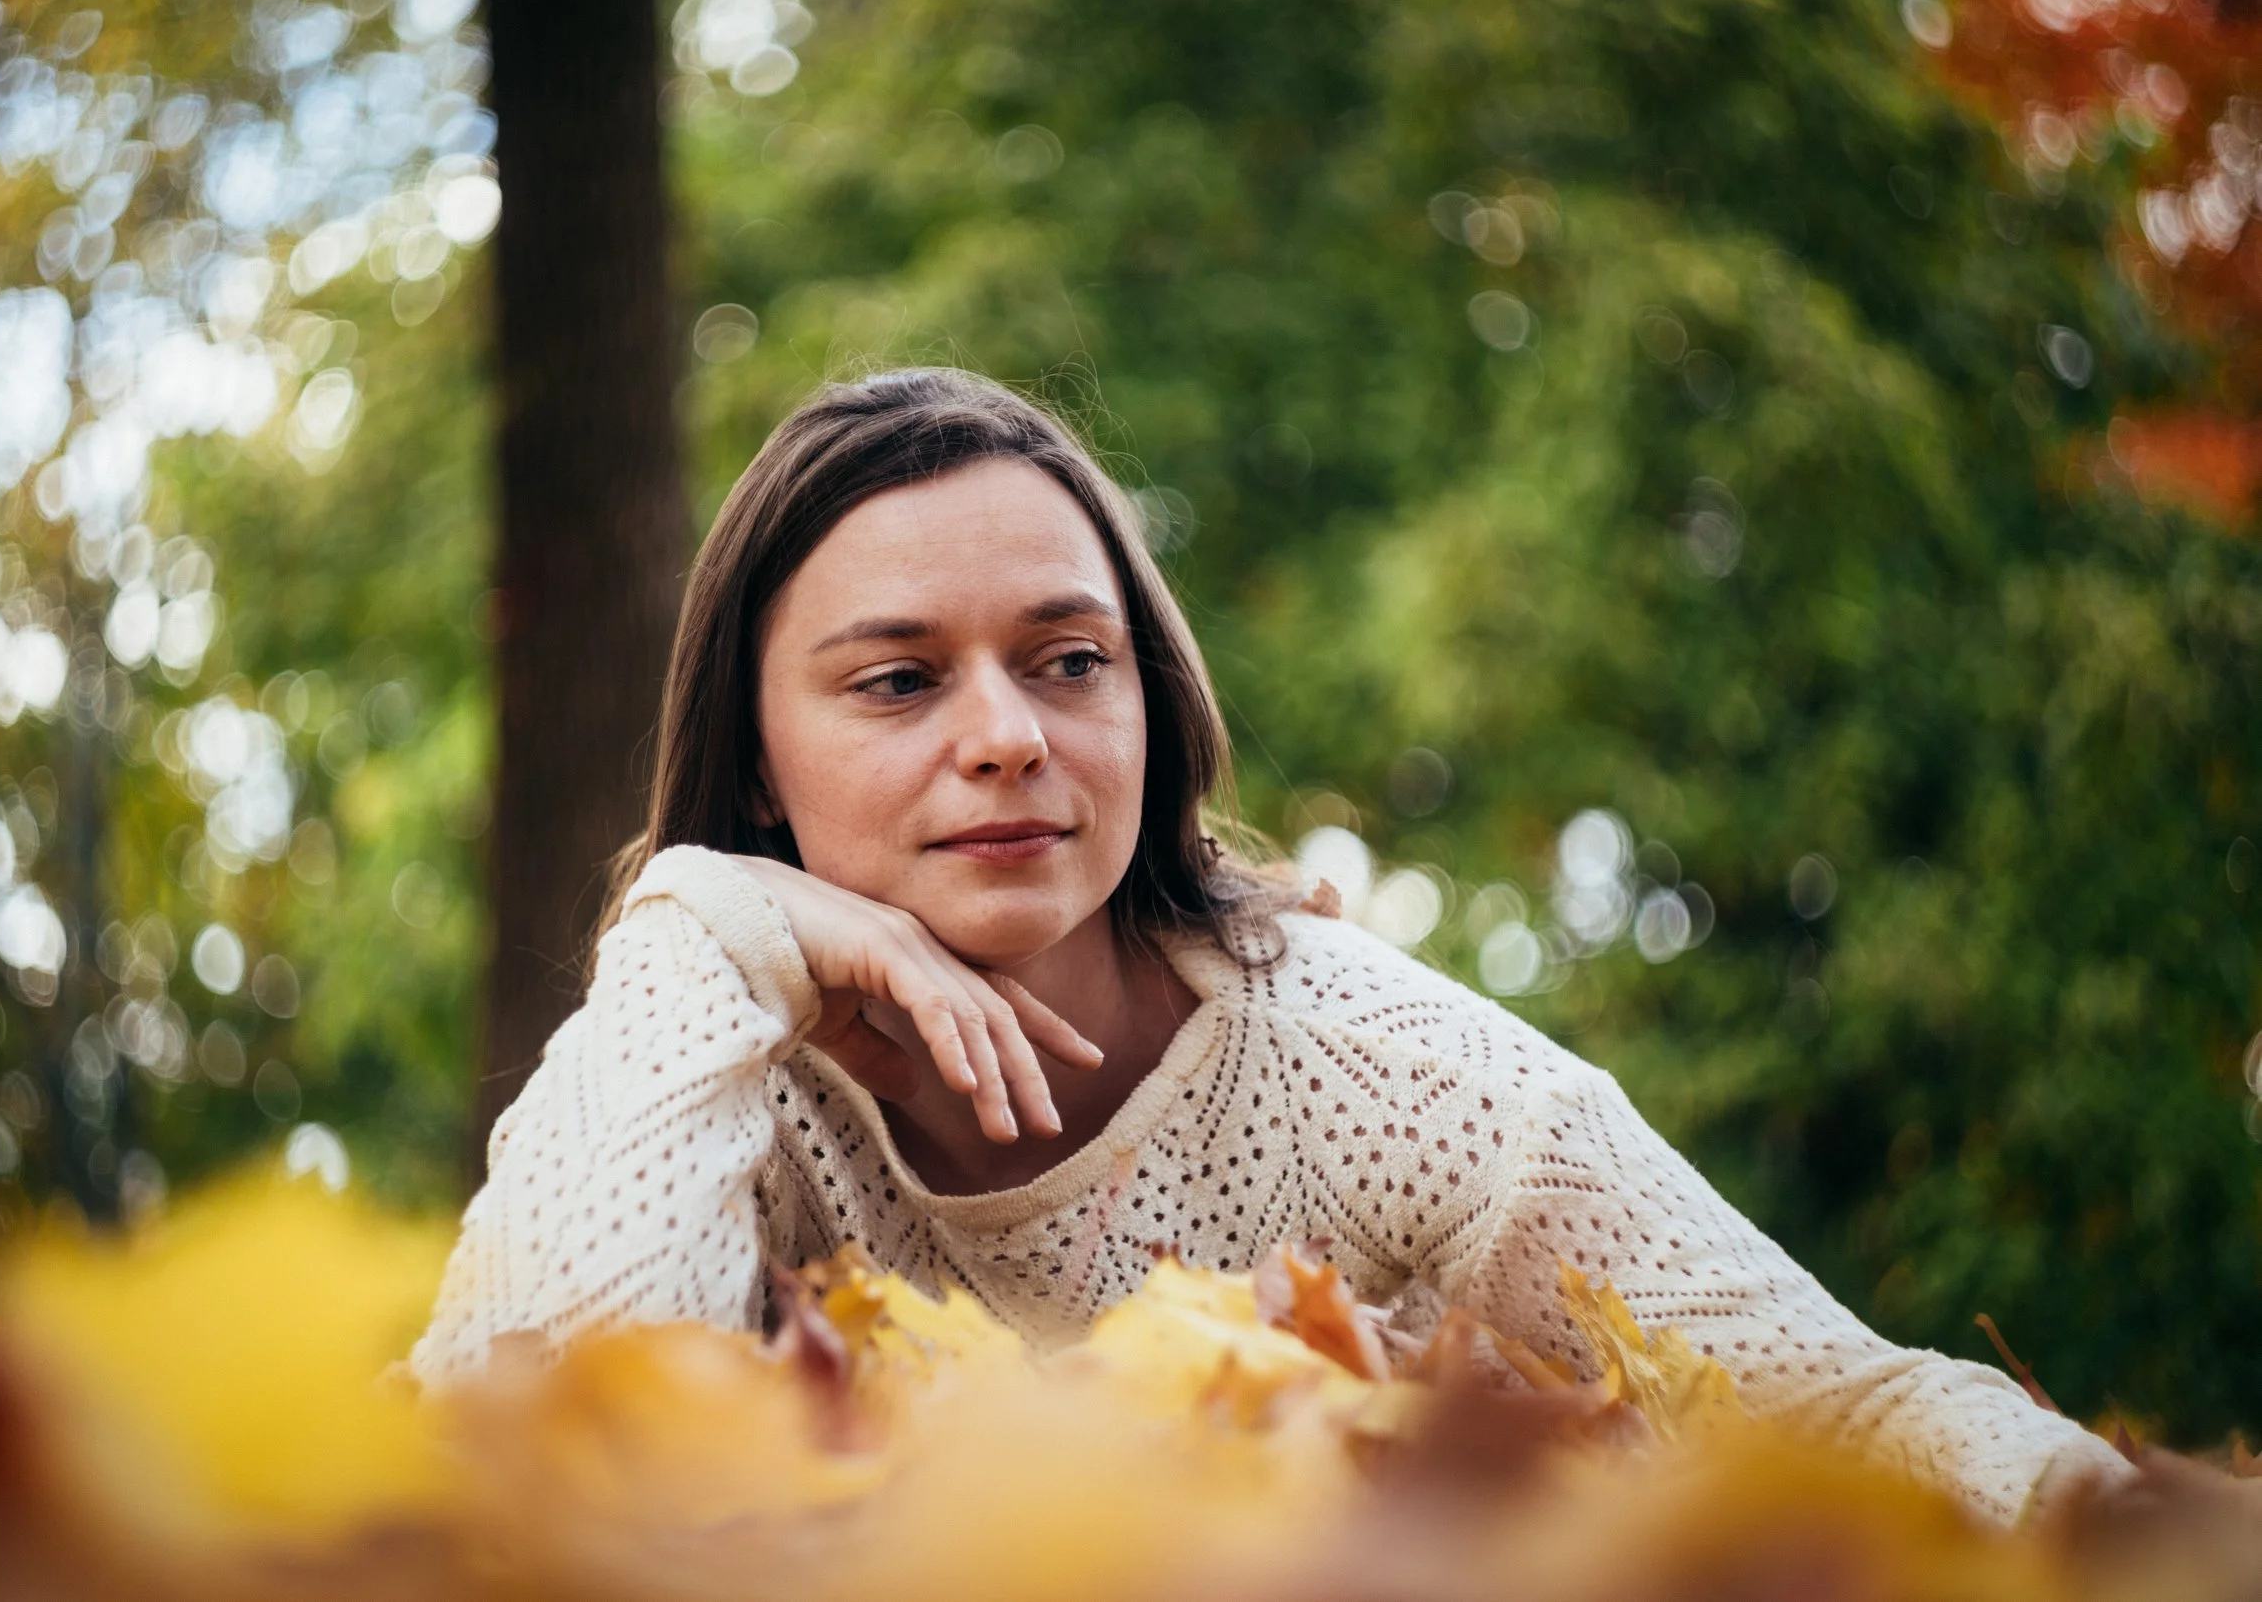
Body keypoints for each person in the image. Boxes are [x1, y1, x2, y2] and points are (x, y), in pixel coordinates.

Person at [411, 367, 2128, 1523]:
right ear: (760, 759)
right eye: (898, 677)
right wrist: (694, 924)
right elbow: (536, 1471)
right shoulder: (706, 1072)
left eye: (1069, 658)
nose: (1007, 733)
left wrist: (2127, 1529)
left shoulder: (1363, 1063)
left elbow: (1833, 1393)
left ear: (1149, 695)